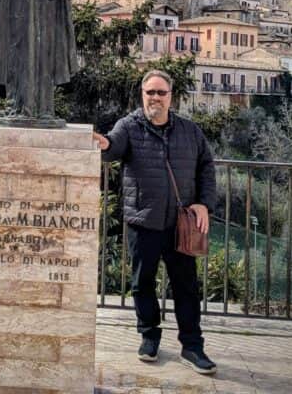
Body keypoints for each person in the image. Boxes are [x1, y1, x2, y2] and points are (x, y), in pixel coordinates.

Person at [93, 69, 218, 375]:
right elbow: (113, 147)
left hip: (180, 225)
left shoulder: (190, 132)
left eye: (161, 93)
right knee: (141, 283)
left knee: (186, 287)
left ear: (170, 97)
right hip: (142, 221)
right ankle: (149, 337)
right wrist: (103, 144)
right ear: (142, 95)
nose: (155, 98)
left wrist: (204, 203)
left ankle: (192, 347)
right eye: (150, 92)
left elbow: (207, 168)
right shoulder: (129, 127)